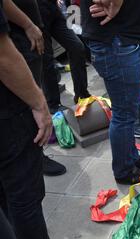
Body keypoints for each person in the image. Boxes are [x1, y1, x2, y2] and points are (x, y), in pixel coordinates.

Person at [0, 0, 92, 239]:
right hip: (7, 109)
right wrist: (39, 104)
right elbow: (3, 56)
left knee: (7, 186)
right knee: (23, 187)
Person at [81, 0, 140, 185]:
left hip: (126, 39)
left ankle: (130, 157)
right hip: (117, 42)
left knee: (128, 111)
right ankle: (124, 170)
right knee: (123, 113)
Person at [7, 0, 67, 177]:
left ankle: (34, 156)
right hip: (19, 36)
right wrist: (28, 25)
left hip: (25, 34)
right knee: (28, 106)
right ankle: (35, 158)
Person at [37, 0, 91, 113]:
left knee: (77, 47)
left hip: (51, 8)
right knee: (46, 60)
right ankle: (53, 105)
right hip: (34, 15)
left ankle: (82, 94)